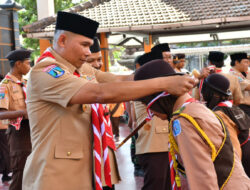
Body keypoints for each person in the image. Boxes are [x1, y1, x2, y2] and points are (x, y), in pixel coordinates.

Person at [22, 11, 195, 190]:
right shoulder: (45, 71)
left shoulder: (82, 70)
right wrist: (164, 83)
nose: (88, 53)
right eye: (84, 45)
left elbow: (121, 81)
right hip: (56, 176)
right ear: (62, 40)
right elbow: (99, 93)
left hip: (88, 170)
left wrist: (168, 76)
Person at [134, 59, 250, 190]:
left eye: (146, 103)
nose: (149, 112)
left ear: (160, 97)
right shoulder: (195, 108)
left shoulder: (185, 121)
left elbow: (202, 180)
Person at [86, 38, 121, 189]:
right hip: (89, 161)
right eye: (91, 60)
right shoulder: (74, 83)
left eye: (99, 59)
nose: (97, 64)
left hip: (106, 153)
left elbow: (122, 81)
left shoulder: (100, 79)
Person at [201, 73, 250, 177]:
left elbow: (233, 146)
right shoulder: (234, 108)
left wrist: (235, 173)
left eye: (204, 91)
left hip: (241, 160)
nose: (202, 95)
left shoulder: (219, 114)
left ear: (211, 93)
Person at [135, 52, 171, 190]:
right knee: (156, 185)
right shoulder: (143, 88)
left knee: (167, 184)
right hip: (153, 145)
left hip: (164, 143)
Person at [0, 49, 32, 190]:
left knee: (32, 173)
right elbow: (1, 114)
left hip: (33, 130)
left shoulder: (26, 83)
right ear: (18, 64)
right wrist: (23, 112)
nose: (29, 67)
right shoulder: (4, 86)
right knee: (20, 172)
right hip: (18, 132)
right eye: (27, 63)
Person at [0, 74, 11, 186]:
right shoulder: (2, 89)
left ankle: (6, 173)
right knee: (5, 149)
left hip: (3, 126)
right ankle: (6, 173)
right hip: (2, 126)